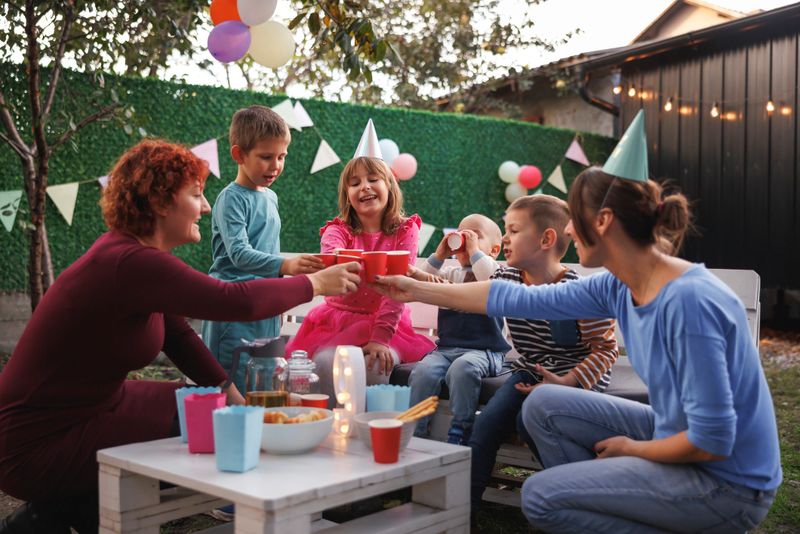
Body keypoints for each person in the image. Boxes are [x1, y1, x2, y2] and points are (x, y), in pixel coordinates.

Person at [372, 168, 781, 533]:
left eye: (573, 218)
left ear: (603, 222)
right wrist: (415, 288)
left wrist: (632, 451)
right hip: (673, 432)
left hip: (728, 482)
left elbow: (713, 441)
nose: (567, 231)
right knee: (544, 404)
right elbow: (513, 298)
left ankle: (620, 499)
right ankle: (610, 495)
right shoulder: (620, 284)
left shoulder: (689, 303)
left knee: (541, 497)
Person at [0, 140, 360, 533]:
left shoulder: (132, 258)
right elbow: (230, 299)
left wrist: (230, 394)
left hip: (90, 410)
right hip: (33, 441)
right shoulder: (130, 262)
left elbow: (178, 334)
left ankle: (61, 514)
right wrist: (313, 283)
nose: (206, 207)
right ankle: (59, 512)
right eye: (196, 194)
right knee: (199, 423)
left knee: (203, 410)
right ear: (160, 202)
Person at [469, 194, 618, 514]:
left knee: (529, 423)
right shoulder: (507, 278)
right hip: (530, 372)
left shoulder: (580, 294)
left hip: (575, 376)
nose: (504, 238)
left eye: (513, 230)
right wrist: (419, 276)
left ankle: (574, 500)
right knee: (486, 426)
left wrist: (567, 382)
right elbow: (466, 286)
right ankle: (467, 508)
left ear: (546, 239)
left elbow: (606, 349)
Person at [285, 151, 436, 406]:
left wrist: (380, 338)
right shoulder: (337, 230)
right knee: (324, 361)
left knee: (375, 364)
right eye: (354, 183)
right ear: (348, 196)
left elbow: (397, 289)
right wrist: (335, 261)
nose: (364, 186)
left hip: (388, 325)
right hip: (336, 325)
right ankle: (328, 428)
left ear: (389, 185)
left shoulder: (405, 231)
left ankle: (369, 432)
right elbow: (332, 261)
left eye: (373, 179)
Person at [201, 105, 323, 393]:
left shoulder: (270, 197)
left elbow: (269, 246)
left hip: (265, 305)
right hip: (235, 307)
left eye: (281, 157)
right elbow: (239, 254)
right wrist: (287, 266)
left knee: (265, 380)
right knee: (234, 380)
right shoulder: (231, 199)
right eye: (266, 157)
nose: (276, 166)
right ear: (239, 155)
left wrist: (277, 296)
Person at [407, 214, 509, 445]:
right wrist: (440, 254)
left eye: (475, 235)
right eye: (462, 234)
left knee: (462, 368)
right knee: (423, 371)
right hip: (447, 349)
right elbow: (423, 280)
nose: (465, 239)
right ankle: (416, 430)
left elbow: (489, 277)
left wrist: (474, 251)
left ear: (494, 250)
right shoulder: (451, 274)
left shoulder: (495, 271)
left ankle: (461, 428)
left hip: (486, 351)